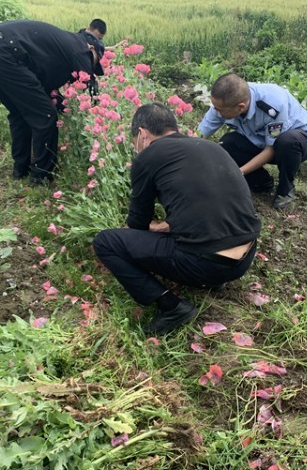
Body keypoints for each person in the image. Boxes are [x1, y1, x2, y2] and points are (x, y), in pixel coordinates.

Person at [93, 103, 261, 336]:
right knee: (191, 239)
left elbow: (138, 223)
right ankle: (214, 281)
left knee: (106, 242)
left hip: (206, 264)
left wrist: (147, 232)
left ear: (142, 134)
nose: (136, 149)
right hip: (245, 258)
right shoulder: (212, 148)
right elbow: (209, 200)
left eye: (134, 144)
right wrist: (170, 225)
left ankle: (172, 307)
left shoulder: (148, 155)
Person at [0, 19, 105, 185]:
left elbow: (44, 92)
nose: (92, 66)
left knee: (20, 112)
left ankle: (20, 170)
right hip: (4, 50)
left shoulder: (61, 46)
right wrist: (100, 112)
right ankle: (40, 177)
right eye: (95, 62)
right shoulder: (80, 48)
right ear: (91, 48)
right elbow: (89, 87)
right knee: (46, 116)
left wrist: (65, 107)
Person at [198, 72, 307, 209]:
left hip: (296, 141)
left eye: (220, 111)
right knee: (228, 143)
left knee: (286, 142)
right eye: (215, 108)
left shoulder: (272, 104)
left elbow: (271, 149)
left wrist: (239, 172)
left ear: (241, 107)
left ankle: (285, 191)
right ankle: (261, 182)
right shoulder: (225, 103)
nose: (217, 113)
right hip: (259, 141)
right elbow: (199, 135)